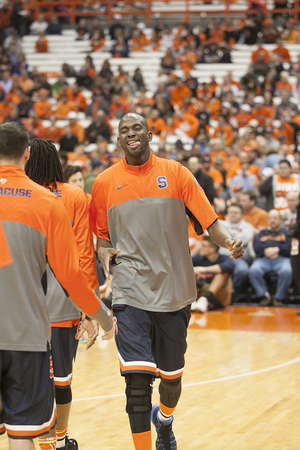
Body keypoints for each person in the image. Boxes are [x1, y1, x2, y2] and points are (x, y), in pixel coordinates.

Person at [90, 113, 244, 450]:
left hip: (175, 289)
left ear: (149, 133)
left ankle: (166, 420)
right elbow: (101, 238)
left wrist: (230, 241)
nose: (131, 134)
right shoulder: (103, 183)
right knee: (137, 380)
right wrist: (103, 253)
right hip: (129, 290)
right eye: (124, 130)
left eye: (136, 128)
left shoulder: (177, 173)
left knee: (171, 380)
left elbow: (211, 222)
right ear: (118, 140)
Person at [0, 122, 114, 450]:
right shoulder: (49, 202)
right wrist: (102, 316)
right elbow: (72, 272)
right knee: (23, 432)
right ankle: (58, 439)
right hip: (27, 331)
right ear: (26, 154)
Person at [25, 138, 100, 450]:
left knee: (31, 380)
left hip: (24, 302)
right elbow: (85, 254)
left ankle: (42, 442)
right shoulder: (74, 196)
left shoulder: (20, 195)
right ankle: (58, 438)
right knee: (62, 380)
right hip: (64, 302)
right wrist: (92, 309)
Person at [249, 209, 292, 307]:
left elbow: (289, 248)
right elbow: (256, 246)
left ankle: (278, 297)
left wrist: (277, 250)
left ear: (281, 220)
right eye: (270, 218)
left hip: (281, 259)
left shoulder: (286, 233)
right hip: (263, 259)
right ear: (267, 220)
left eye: (275, 218)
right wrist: (266, 251)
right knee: (253, 270)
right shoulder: (262, 233)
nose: (272, 220)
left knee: (287, 271)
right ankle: (264, 295)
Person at [219, 203, 255, 300]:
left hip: (238, 258)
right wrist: (235, 237)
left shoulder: (247, 226)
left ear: (242, 214)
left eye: (236, 212)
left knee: (242, 270)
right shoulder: (220, 223)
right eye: (230, 212)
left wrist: (225, 237)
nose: (232, 214)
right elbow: (209, 236)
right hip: (221, 257)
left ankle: (233, 292)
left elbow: (244, 240)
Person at [191, 235, 235, 312]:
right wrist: (195, 272)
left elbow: (229, 266)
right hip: (201, 292)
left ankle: (205, 299)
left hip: (218, 296)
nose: (200, 248)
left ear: (212, 249)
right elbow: (183, 265)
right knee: (190, 272)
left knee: (223, 274)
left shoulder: (224, 259)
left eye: (203, 246)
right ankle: (192, 300)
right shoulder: (199, 258)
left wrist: (202, 269)